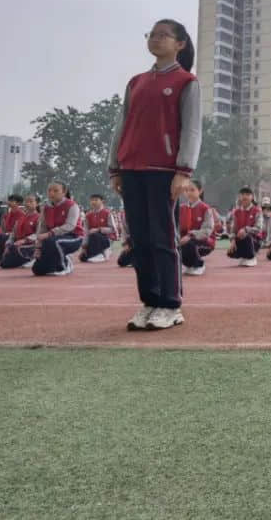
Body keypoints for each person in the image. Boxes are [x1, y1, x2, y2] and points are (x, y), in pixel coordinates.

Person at [108, 18, 202, 331]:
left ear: (180, 44)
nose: (156, 39)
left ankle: (170, 304)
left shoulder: (186, 81)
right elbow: (121, 125)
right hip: (132, 169)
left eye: (164, 35)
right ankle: (149, 300)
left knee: (164, 239)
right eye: (153, 34)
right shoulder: (135, 82)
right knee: (140, 239)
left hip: (164, 171)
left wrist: (183, 170)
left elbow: (191, 129)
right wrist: (115, 166)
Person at [32, 181, 84, 276]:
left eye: (55, 191)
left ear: (64, 192)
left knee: (53, 242)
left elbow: (70, 226)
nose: (51, 193)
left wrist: (49, 234)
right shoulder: (46, 208)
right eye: (49, 190)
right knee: (37, 270)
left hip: (74, 237)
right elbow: (42, 227)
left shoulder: (72, 205)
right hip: (52, 239)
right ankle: (60, 258)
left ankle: (65, 266)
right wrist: (38, 246)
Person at [178, 179, 215, 275]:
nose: (189, 193)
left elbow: (207, 230)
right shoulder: (181, 208)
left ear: (200, 191)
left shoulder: (205, 209)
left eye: (192, 190)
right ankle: (187, 264)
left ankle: (199, 265)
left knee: (189, 243)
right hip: (185, 241)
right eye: (186, 190)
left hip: (205, 242)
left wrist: (191, 235)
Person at [0, 194, 42, 269]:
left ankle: (33, 259)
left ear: (37, 204)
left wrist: (25, 240)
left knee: (8, 260)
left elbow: (38, 234)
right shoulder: (21, 218)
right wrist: (8, 244)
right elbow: (13, 233)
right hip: (17, 245)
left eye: (31, 201)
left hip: (31, 245)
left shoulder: (39, 218)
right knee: (3, 263)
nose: (28, 204)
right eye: (26, 201)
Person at [227, 187, 264, 267]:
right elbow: (233, 230)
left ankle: (251, 257)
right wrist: (233, 240)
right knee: (230, 252)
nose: (244, 197)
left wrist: (246, 229)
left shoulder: (257, 211)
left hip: (254, 240)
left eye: (247, 194)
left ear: (252, 197)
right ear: (239, 197)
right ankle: (244, 256)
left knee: (246, 236)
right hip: (240, 238)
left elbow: (259, 228)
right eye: (242, 194)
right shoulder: (236, 212)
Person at [79, 194, 119, 263]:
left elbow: (113, 229)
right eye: (92, 200)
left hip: (106, 238)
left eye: (96, 200)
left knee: (95, 235)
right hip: (92, 239)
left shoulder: (107, 213)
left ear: (102, 201)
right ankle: (96, 253)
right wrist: (84, 247)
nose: (93, 202)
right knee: (83, 258)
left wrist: (99, 229)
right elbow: (85, 232)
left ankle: (102, 252)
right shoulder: (88, 215)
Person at [0, 194, 25, 263]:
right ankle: (4, 249)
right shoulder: (7, 214)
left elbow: (19, 230)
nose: (9, 202)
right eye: (9, 200)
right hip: (6, 237)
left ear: (18, 203)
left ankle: (8, 250)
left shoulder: (21, 214)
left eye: (12, 201)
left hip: (15, 237)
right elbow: (4, 229)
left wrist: (9, 235)